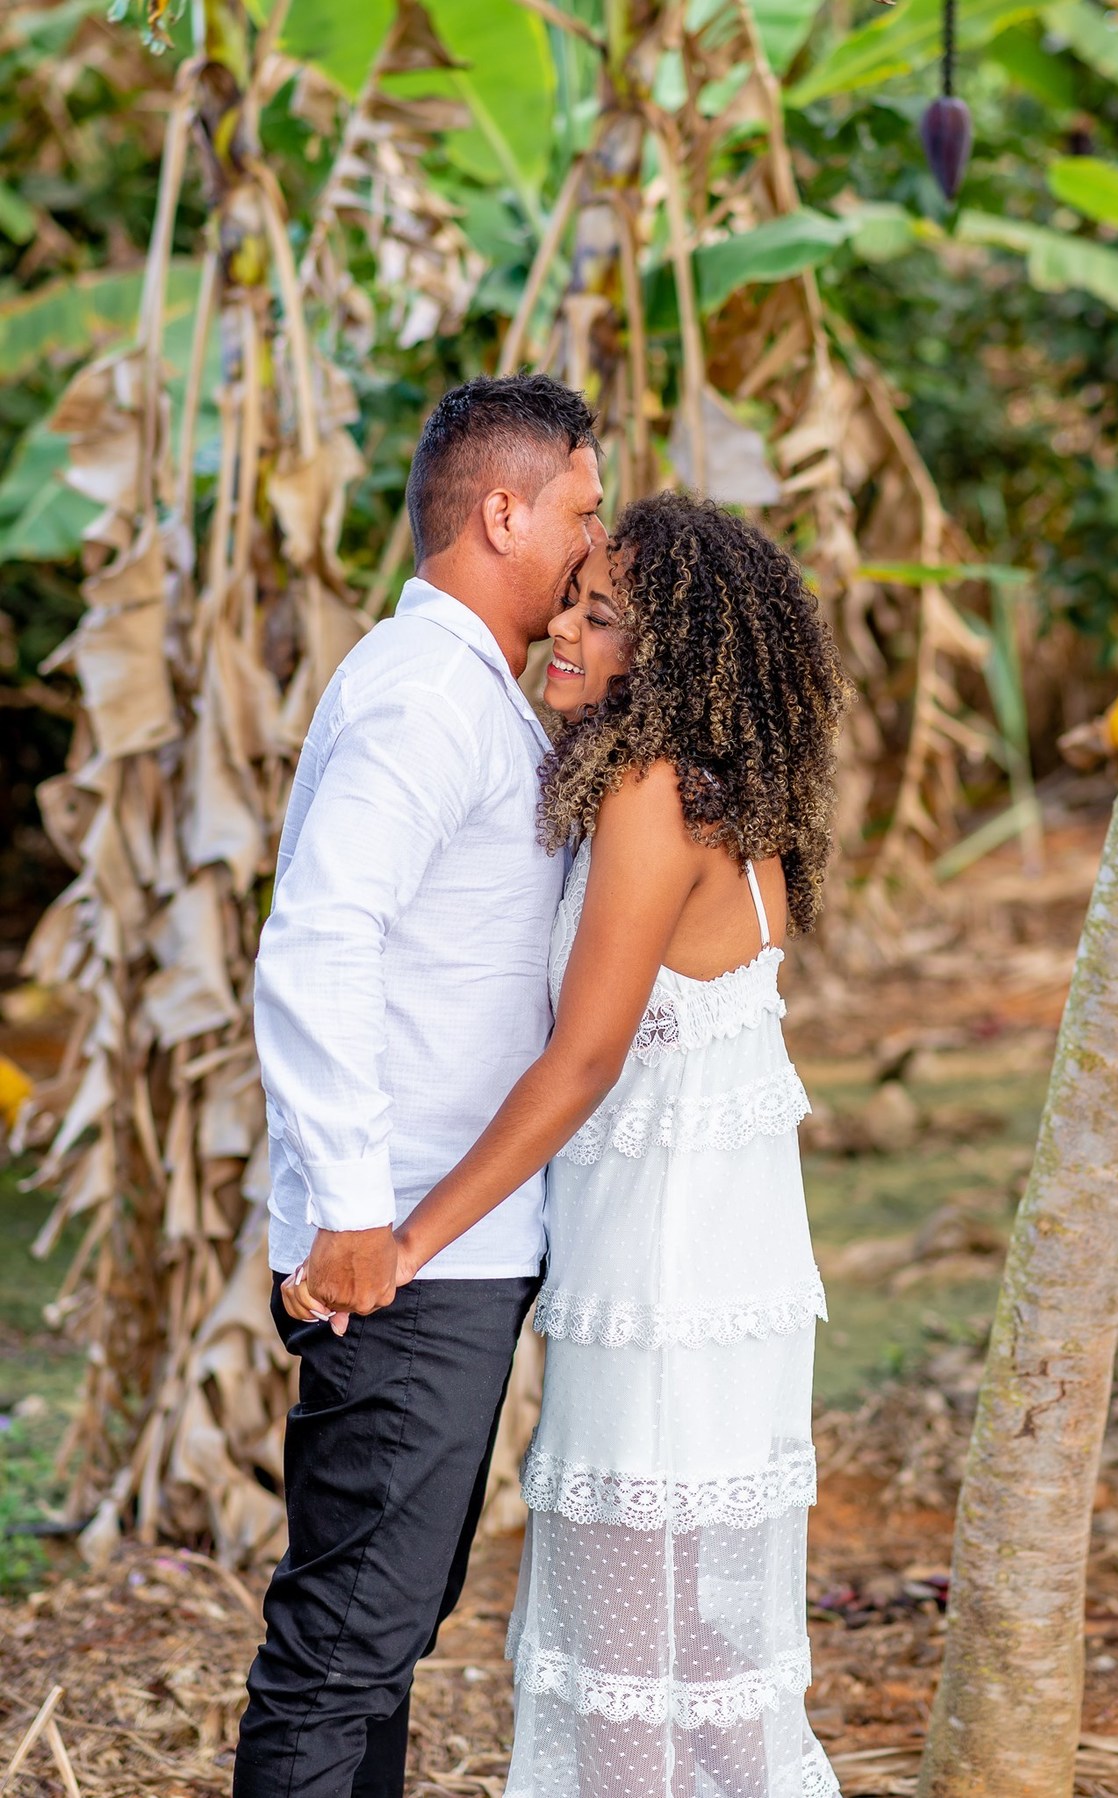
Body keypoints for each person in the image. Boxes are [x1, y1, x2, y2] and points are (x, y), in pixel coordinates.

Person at [288, 492, 850, 1797]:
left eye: (604, 619)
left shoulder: (652, 795)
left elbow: (586, 1058)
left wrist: (410, 1237)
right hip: (708, 1270)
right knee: (690, 1649)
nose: (567, 630)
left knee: (633, 1667)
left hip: (663, 1288)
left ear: (674, 654)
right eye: (576, 600)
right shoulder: (725, 793)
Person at [233, 372, 604, 1798]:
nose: (590, 537)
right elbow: (320, 938)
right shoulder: (421, 697)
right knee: (341, 1649)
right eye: (579, 506)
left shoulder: (466, 691)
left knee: (378, 1639)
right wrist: (351, 1210)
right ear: (502, 510)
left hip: (440, 1244)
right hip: (400, 1259)